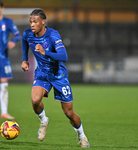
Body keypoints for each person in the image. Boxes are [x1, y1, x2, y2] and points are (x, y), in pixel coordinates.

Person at [21, 9, 90, 148]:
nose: (32, 25)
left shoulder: (53, 35)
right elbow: (24, 41)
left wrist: (45, 52)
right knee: (35, 100)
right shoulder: (28, 34)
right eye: (30, 22)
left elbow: (64, 56)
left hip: (58, 75)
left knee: (69, 113)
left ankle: (81, 136)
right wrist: (25, 60)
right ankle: (43, 120)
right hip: (42, 74)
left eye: (35, 22)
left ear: (43, 22)